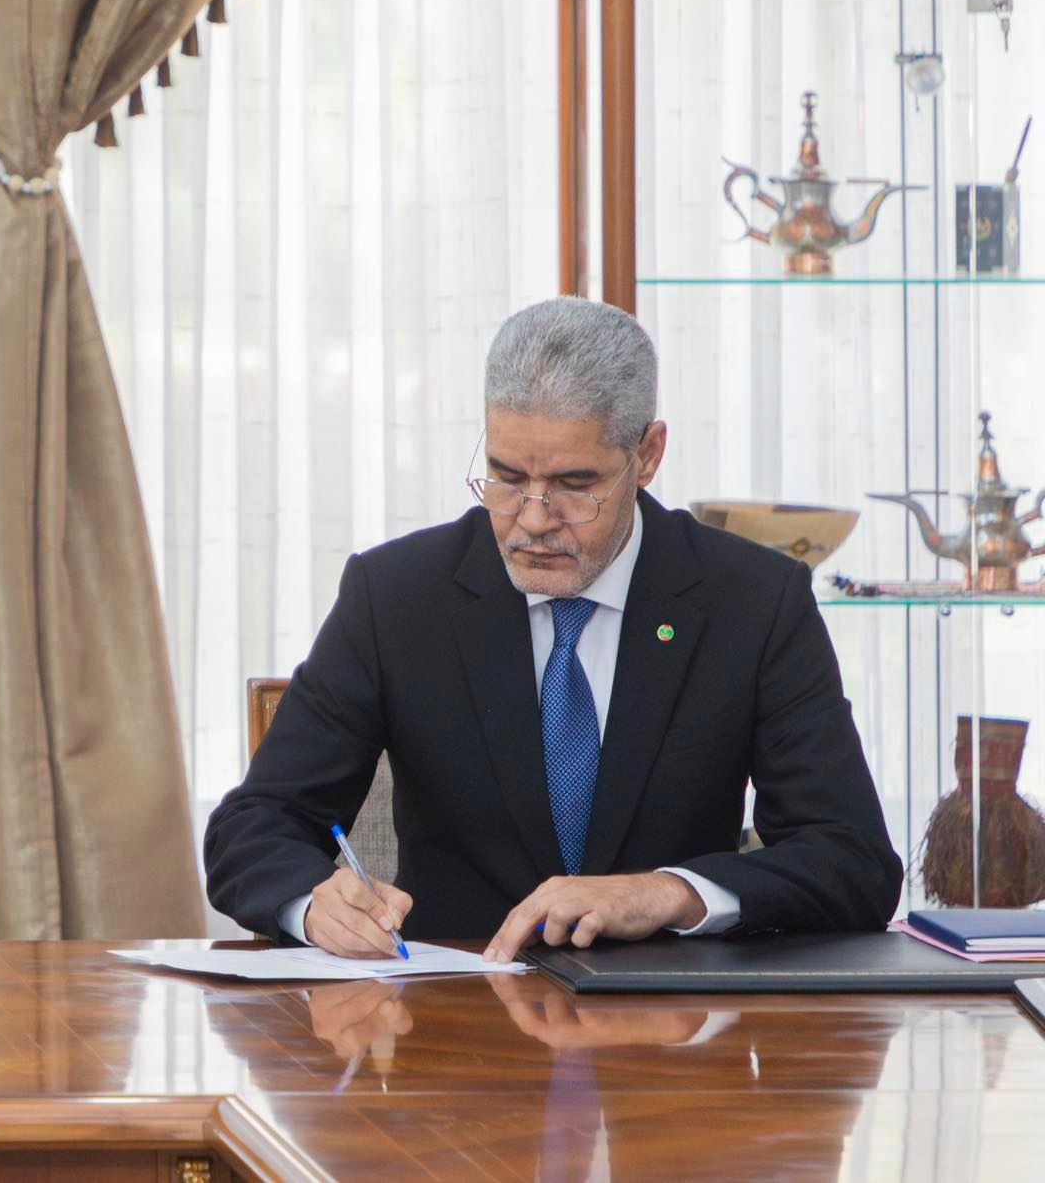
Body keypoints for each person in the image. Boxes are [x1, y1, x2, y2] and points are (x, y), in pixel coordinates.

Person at [203, 297, 902, 962]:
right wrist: (314, 905)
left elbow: (853, 860)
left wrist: (671, 892)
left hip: (672, 1021)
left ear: (648, 455)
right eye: (506, 477)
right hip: (454, 1015)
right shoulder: (396, 596)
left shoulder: (753, 602)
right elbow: (253, 828)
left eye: (574, 484)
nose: (533, 519)